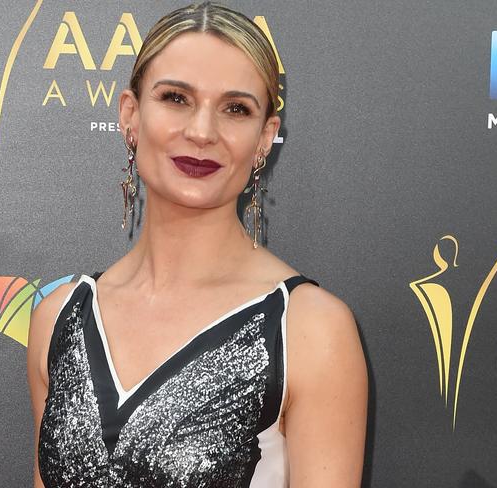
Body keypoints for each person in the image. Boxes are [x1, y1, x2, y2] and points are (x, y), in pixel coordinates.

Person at [27, 2, 367, 487]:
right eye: (176, 98)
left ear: (265, 138)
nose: (202, 132)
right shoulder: (59, 317)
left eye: (235, 109)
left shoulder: (310, 328)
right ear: (130, 114)